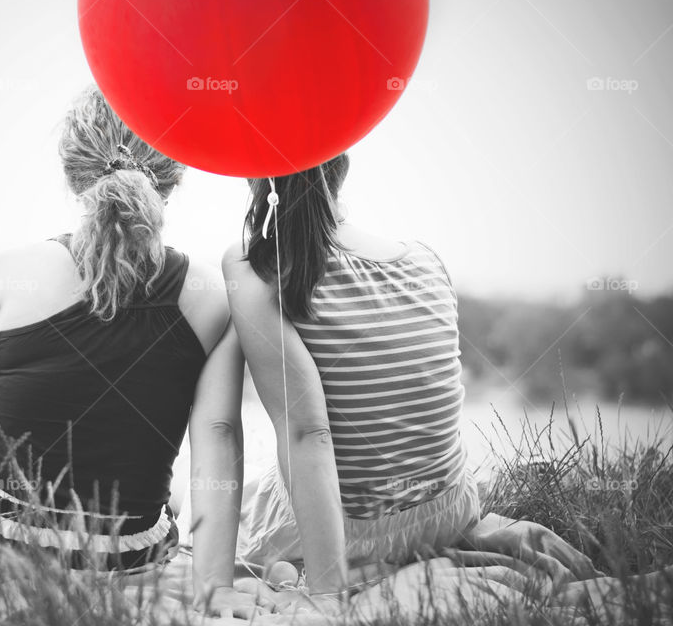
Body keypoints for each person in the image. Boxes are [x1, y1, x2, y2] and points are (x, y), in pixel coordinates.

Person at [0, 87, 268, 618]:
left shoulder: (8, 272)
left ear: (74, 170)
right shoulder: (213, 298)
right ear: (172, 175)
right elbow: (217, 438)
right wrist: (215, 586)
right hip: (125, 563)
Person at [221, 153, 601, 613]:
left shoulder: (254, 269)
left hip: (353, 534)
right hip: (450, 512)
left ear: (255, 171)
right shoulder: (425, 257)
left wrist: (326, 596)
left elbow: (308, 434)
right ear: (343, 165)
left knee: (221, 508)